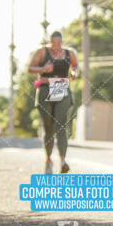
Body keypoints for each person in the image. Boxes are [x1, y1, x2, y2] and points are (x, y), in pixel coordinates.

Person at [28, 31, 78, 174]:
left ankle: (63, 161)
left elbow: (75, 66)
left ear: (62, 42)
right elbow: (30, 68)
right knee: (48, 127)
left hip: (61, 88)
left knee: (61, 124)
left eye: (59, 43)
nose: (56, 46)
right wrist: (43, 69)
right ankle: (49, 160)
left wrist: (74, 73)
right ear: (50, 42)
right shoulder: (42, 53)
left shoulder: (70, 53)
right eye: (53, 44)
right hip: (45, 88)